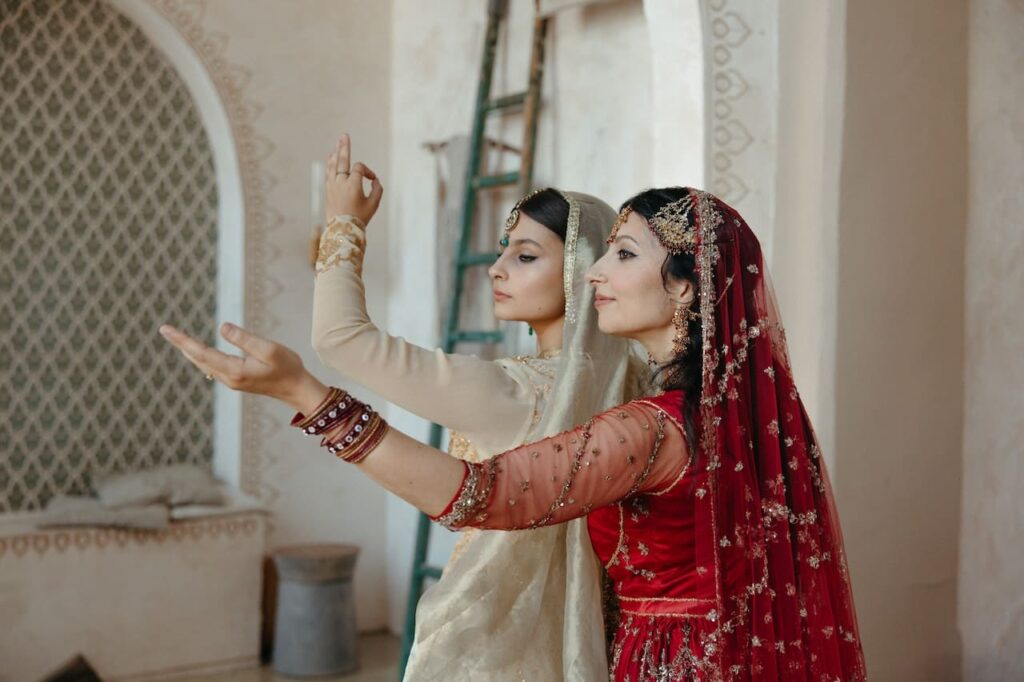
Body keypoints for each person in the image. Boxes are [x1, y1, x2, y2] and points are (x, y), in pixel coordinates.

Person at [162, 185, 865, 680]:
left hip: (667, 663)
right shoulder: (732, 416)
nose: (594, 273)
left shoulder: (648, 429)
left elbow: (483, 496)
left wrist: (304, 395)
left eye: (622, 255)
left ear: (684, 286)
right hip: (734, 653)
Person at [295, 134, 643, 679]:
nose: (495, 267)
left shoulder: (517, 392)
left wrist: (345, 223)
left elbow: (339, 338)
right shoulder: (636, 383)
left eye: (525, 255)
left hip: (496, 642)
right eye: (504, 248)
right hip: (603, 642)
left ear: (581, 271)